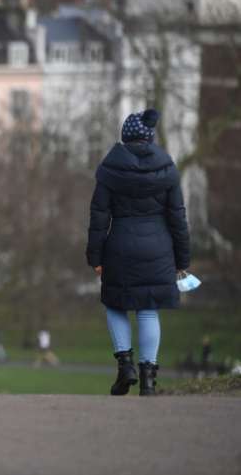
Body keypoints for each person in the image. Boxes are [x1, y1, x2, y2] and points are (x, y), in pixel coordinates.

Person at [86, 109, 190, 396]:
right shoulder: (167, 169)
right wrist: (183, 259)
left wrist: (94, 257)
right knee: (148, 309)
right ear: (150, 137)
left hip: (119, 246)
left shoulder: (110, 169)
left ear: (125, 136)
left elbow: (98, 217)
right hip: (159, 250)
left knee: (115, 304)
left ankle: (125, 365)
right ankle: (148, 378)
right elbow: (178, 217)